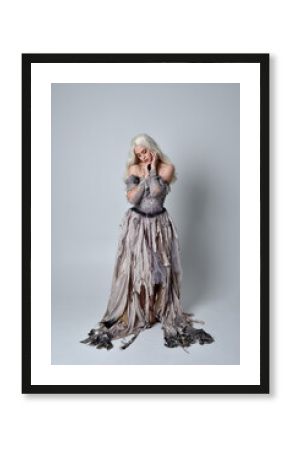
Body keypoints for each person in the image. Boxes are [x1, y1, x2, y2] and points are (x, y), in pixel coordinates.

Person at [80, 133, 214, 350]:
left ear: (152, 148)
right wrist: (143, 178)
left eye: (144, 151)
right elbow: (133, 199)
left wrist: (151, 171)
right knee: (138, 269)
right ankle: (140, 311)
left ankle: (155, 309)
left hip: (159, 225)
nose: (142, 156)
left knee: (158, 268)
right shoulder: (133, 170)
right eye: (138, 154)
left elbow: (158, 191)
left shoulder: (166, 168)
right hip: (137, 224)